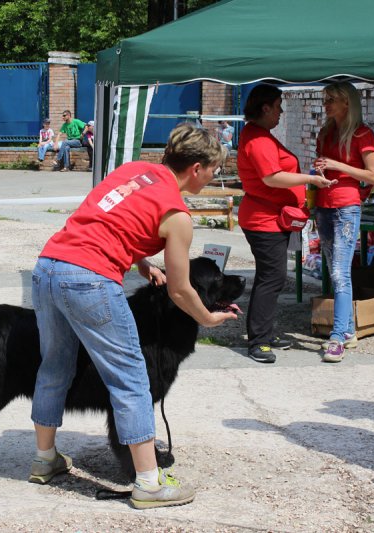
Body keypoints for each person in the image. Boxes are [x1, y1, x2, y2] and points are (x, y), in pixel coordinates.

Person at [29, 122, 237, 509]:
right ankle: (149, 483)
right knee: (131, 377)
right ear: (197, 168)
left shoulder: (132, 172)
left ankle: (45, 460)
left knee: (55, 366)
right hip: (89, 280)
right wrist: (208, 319)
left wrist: (139, 260)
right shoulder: (177, 215)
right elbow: (179, 290)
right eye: (214, 169)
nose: (215, 176)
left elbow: (104, 221)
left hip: (49, 266)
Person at [236, 84, 336, 364]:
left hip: (273, 218)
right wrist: (311, 180)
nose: (281, 112)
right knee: (272, 278)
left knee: (274, 278)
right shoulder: (257, 139)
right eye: (278, 106)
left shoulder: (262, 136)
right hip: (262, 220)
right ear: (265, 107)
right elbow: (272, 178)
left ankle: (265, 334)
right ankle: (258, 341)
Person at [313, 82, 374, 363]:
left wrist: (337, 165)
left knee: (340, 273)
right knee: (334, 269)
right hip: (323, 205)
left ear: (347, 103)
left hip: (346, 207)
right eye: (326, 99)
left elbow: (373, 176)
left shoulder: (362, 133)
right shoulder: (326, 132)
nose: (326, 104)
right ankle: (349, 330)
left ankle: (338, 336)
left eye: (332, 100)